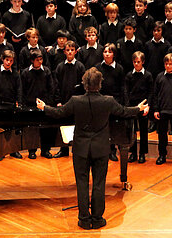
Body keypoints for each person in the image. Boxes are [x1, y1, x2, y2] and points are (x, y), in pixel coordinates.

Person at [36, 67, 147, 230]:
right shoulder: (108, 101)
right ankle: (97, 218)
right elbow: (124, 112)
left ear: (85, 84)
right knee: (98, 183)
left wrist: (44, 107)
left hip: (81, 149)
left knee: (82, 183)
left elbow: (59, 113)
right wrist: (139, 109)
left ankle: (84, 219)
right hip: (101, 149)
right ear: (100, 84)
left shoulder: (75, 100)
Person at [53, 40, 85, 158]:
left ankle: (76, 150)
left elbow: (83, 85)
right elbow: (56, 85)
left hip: (77, 102)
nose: (70, 52)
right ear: (64, 52)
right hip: (64, 100)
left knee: (76, 126)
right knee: (64, 126)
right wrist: (58, 101)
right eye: (68, 50)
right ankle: (64, 150)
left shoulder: (80, 66)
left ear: (76, 52)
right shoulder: (60, 67)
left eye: (72, 50)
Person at [125, 51, 153, 163]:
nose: (136, 64)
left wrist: (148, 106)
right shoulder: (129, 75)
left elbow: (151, 92)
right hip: (132, 106)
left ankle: (142, 153)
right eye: (135, 62)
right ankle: (133, 153)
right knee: (132, 130)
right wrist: (127, 107)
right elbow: (126, 92)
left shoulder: (148, 75)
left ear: (143, 62)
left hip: (144, 105)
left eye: (138, 62)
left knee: (143, 130)